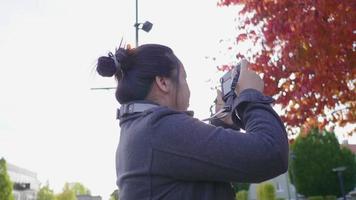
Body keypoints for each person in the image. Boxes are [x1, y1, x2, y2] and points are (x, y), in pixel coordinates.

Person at [96, 44, 289, 200]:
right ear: (163, 83)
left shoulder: (139, 129)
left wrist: (224, 123)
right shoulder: (160, 129)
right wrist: (250, 95)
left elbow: (202, 170)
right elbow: (271, 153)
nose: (188, 88)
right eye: (184, 79)